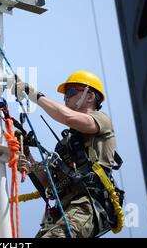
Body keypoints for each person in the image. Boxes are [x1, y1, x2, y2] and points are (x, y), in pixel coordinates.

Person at [12, 70, 124, 238]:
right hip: (63, 211)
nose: (65, 98)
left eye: (70, 92)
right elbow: (48, 184)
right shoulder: (66, 145)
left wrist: (34, 95)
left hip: (86, 205)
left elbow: (68, 118)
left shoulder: (102, 121)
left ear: (90, 96)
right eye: (65, 95)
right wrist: (27, 154)